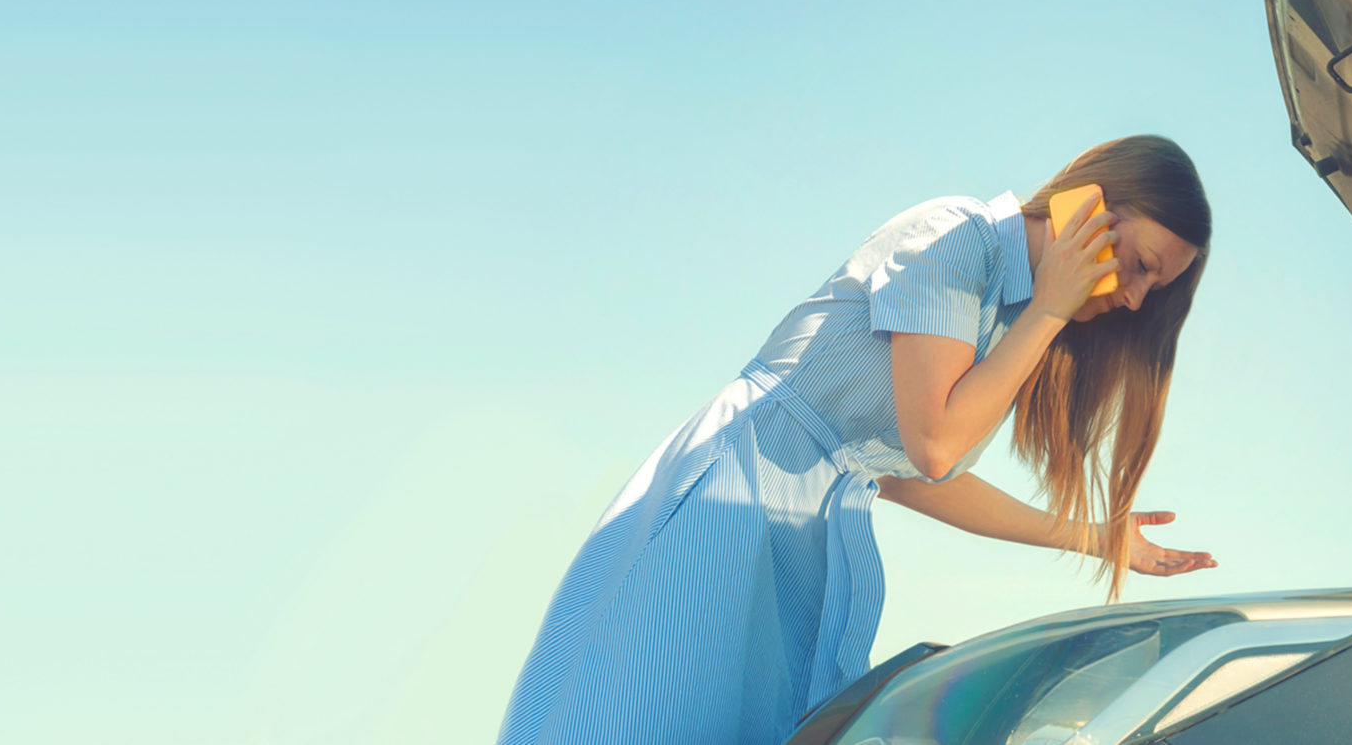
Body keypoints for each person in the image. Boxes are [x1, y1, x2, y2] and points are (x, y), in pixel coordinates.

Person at [494, 134, 1216, 745]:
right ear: (1090, 202)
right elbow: (935, 444)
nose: (1133, 298)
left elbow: (907, 473)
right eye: (1144, 266)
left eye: (1154, 290)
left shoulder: (1011, 319)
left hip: (806, 542)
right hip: (734, 504)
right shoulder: (957, 235)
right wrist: (1052, 309)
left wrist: (1093, 536)